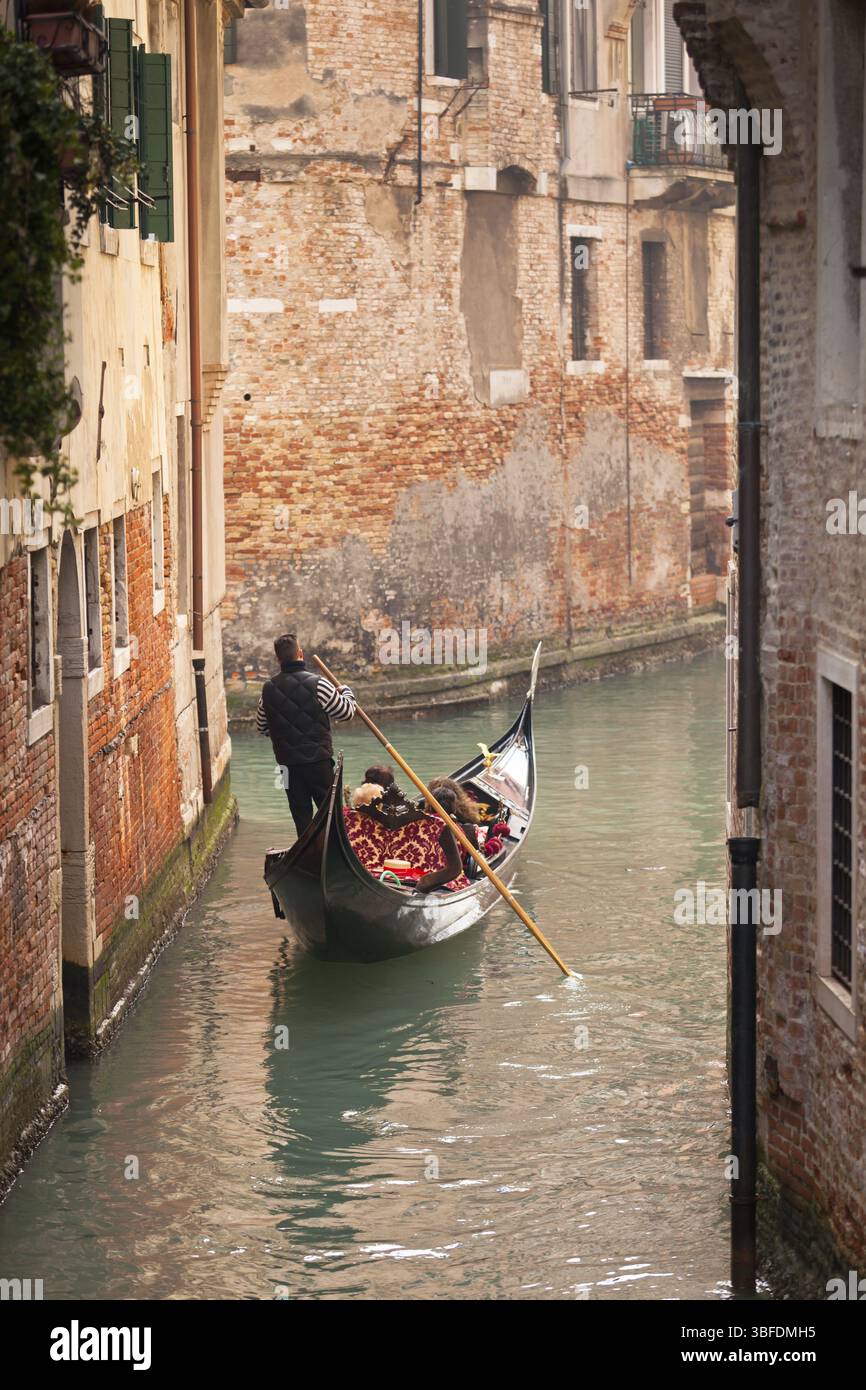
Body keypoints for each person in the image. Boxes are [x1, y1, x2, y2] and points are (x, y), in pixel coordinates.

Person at [256, 634, 356, 837]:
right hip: (318, 762)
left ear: (278, 659)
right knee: (329, 814)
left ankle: (309, 857)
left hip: (287, 766)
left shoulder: (268, 689)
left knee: (300, 815)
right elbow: (346, 712)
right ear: (300, 654)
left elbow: (262, 727)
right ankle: (333, 853)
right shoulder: (319, 684)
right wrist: (346, 692)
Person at [417, 786, 465, 894]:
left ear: (429, 805)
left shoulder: (419, 823)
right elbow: (462, 853)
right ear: (454, 808)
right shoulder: (456, 828)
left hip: (417, 872)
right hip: (443, 877)